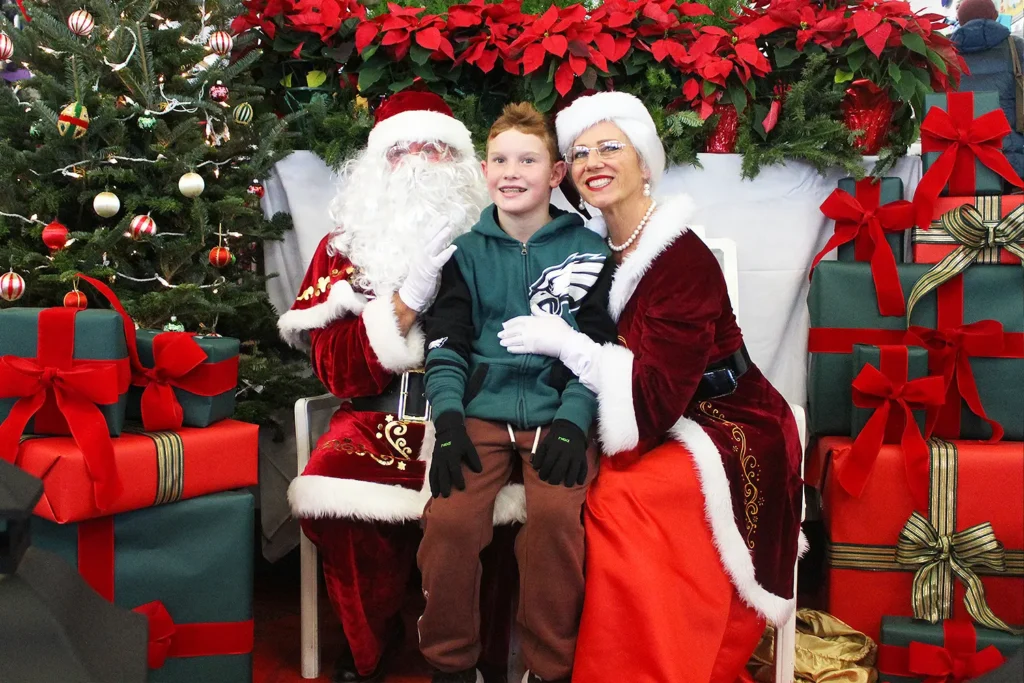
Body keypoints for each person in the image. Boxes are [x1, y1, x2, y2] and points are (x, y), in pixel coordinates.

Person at [498, 91, 804, 682]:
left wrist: (572, 347)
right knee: (568, 487)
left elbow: (655, 399)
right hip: (649, 412)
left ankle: (656, 666)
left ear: (644, 161)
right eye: (580, 152)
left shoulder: (679, 258)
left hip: (726, 417)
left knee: (622, 501)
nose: (594, 161)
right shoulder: (588, 247)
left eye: (611, 147)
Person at [277, 90, 499, 683]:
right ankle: (369, 649)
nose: (421, 163)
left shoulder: (498, 241)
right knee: (342, 504)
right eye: (404, 150)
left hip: (480, 416)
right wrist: (405, 304)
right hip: (374, 419)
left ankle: (481, 655)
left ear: (461, 165)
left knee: (506, 515)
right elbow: (336, 374)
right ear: (378, 166)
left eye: (437, 149)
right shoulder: (342, 253)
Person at [418, 102, 618, 683]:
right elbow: (446, 347)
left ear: (555, 174)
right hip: (480, 413)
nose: (512, 171)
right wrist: (449, 421)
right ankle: (450, 664)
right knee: (450, 523)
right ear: (485, 170)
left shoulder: (589, 251)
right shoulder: (465, 255)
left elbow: (599, 350)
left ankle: (548, 669)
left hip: (557, 412)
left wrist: (576, 419)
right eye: (500, 159)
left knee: (557, 521)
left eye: (527, 160)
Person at [953, 0, 1024, 179]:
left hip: (958, 160)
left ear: (960, 21)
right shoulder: (1016, 47)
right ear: (995, 16)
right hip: (1012, 160)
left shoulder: (945, 53)